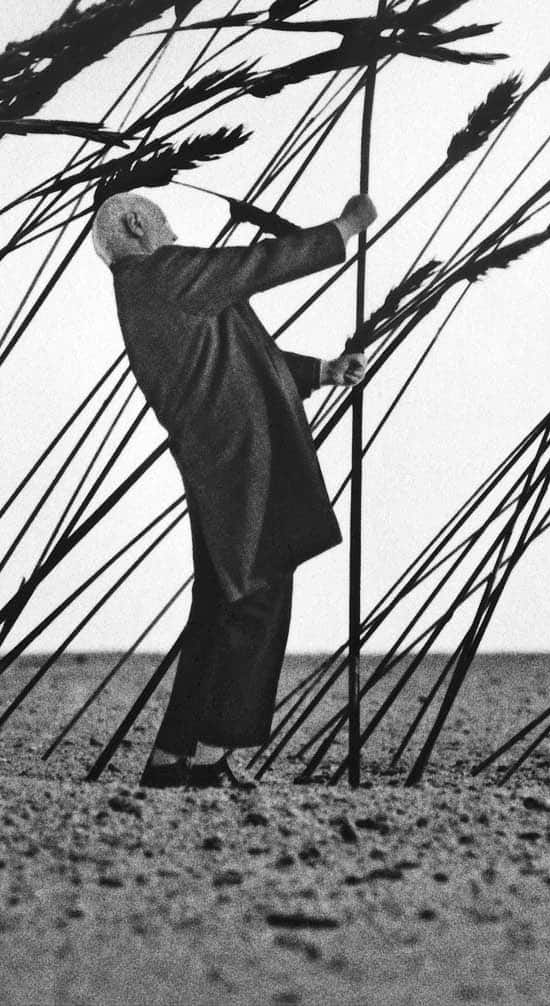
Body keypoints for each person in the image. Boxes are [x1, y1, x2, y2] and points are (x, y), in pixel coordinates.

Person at [89, 187, 375, 790]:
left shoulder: (151, 292)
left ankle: (173, 759)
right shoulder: (161, 274)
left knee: (221, 607)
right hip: (243, 465)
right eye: (162, 219)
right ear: (138, 224)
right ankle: (211, 757)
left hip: (224, 464)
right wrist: (343, 227)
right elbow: (254, 265)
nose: (171, 230)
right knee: (253, 601)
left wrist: (322, 371)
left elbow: (240, 360)